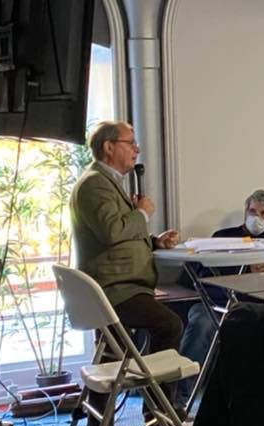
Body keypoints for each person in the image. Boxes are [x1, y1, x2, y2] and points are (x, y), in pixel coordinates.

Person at [71, 121, 183, 354]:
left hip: (121, 287)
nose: (137, 149)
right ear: (109, 147)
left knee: (113, 354)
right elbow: (112, 231)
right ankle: (156, 390)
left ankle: (116, 390)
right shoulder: (95, 184)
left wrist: (154, 241)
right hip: (115, 289)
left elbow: (116, 232)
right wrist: (141, 212)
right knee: (169, 325)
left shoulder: (107, 182)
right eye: (130, 143)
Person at [178, 188, 264, 367]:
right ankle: (181, 391)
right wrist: (246, 268)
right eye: (253, 211)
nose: (257, 217)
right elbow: (200, 273)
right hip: (219, 302)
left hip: (263, 306)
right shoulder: (223, 237)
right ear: (246, 211)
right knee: (201, 324)